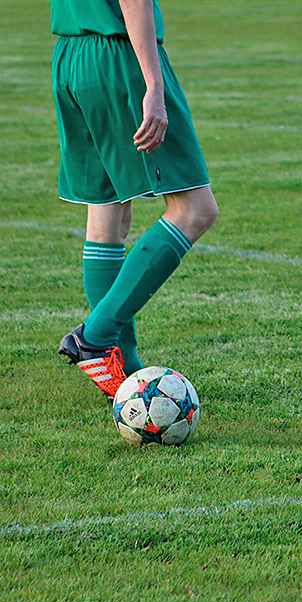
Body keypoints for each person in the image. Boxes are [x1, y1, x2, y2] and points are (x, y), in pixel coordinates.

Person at [51, 0, 218, 396]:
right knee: (195, 210)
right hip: (120, 58)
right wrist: (154, 86)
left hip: (72, 57)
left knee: (107, 214)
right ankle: (94, 338)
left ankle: (121, 371)